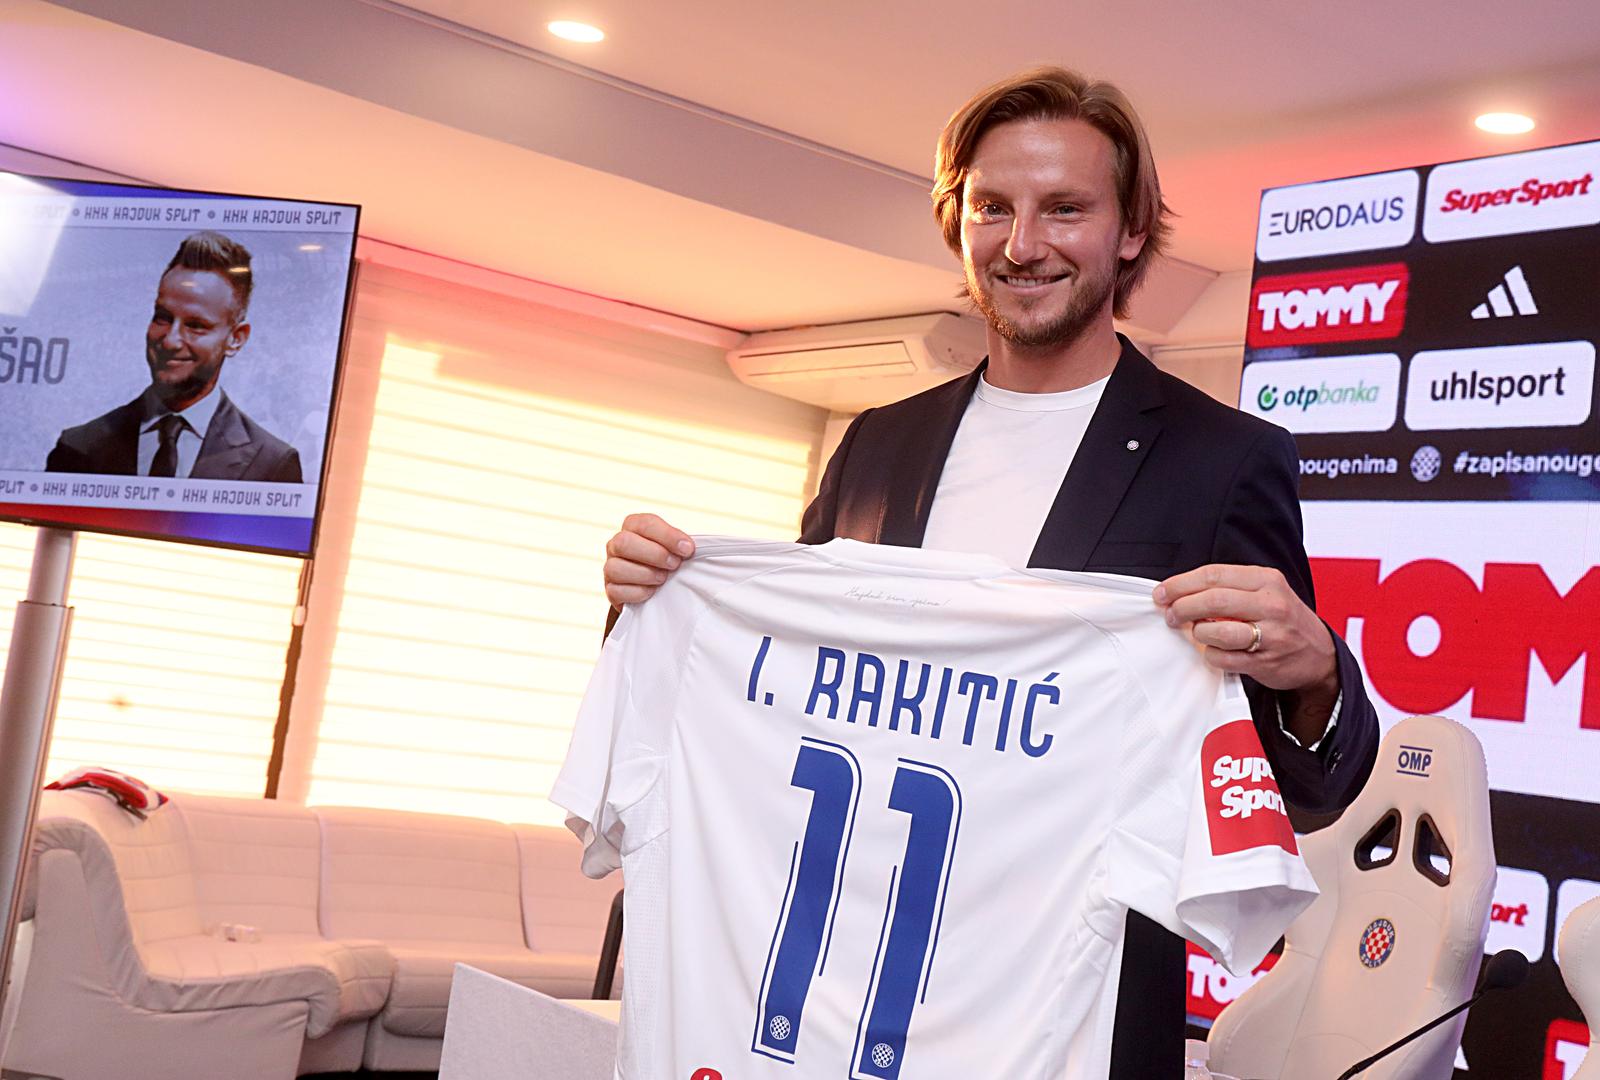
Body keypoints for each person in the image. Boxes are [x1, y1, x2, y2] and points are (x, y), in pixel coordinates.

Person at [602, 67, 1380, 1077]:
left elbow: (1300, 786)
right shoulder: (877, 448)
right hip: (839, 993)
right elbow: (785, 690)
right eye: (992, 208)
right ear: (955, 222)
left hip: (1063, 1009)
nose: (1023, 245)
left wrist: (1314, 671)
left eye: (1065, 209)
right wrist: (649, 606)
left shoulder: (1223, 460)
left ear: (1130, 232)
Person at [45, 230, 303, 482]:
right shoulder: (78, 447)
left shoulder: (273, 465)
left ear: (236, 338)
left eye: (196, 325)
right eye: (163, 318)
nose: (170, 340)